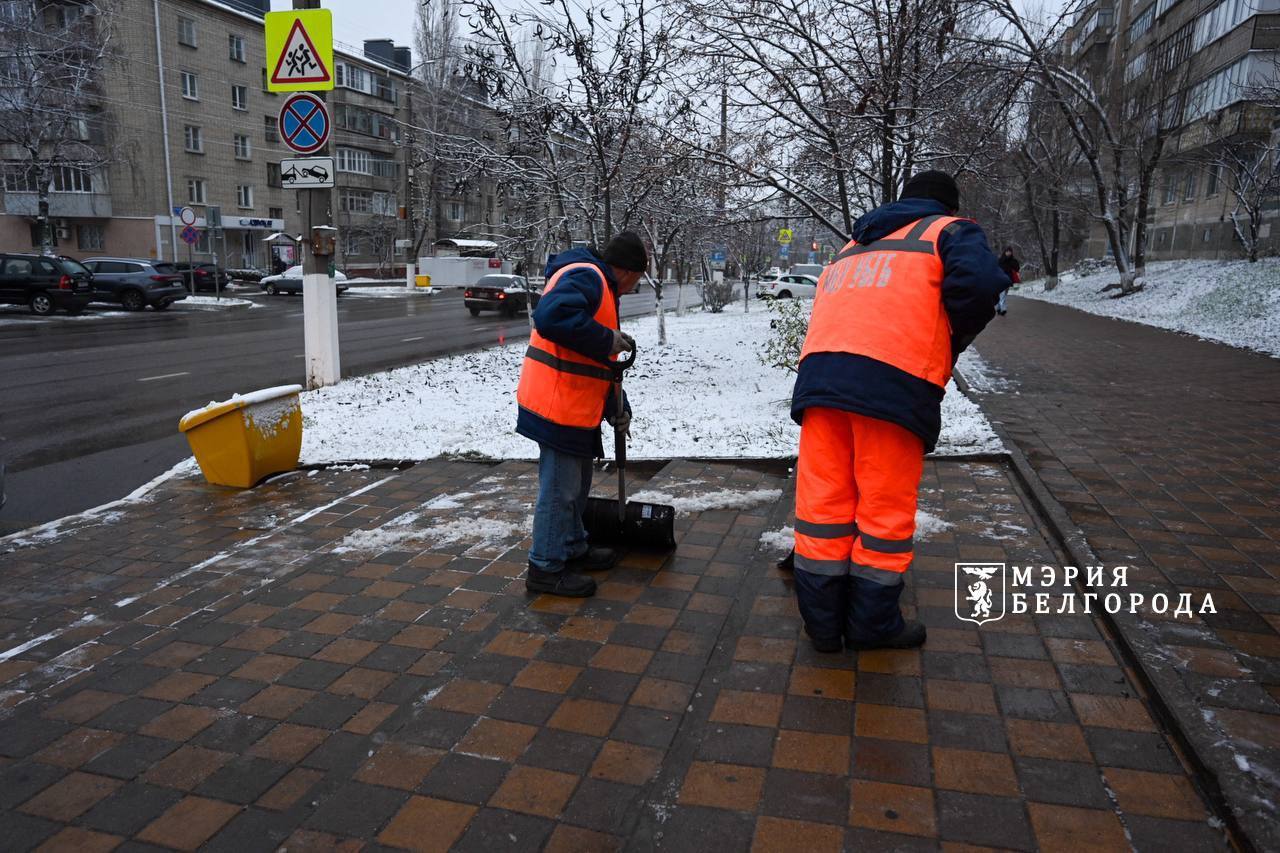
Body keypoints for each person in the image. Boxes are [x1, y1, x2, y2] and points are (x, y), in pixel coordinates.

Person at [788, 170, 1010, 651]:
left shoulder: (856, 243)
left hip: (821, 382)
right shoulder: (949, 231)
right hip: (891, 384)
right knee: (883, 513)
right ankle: (871, 626)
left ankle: (823, 628)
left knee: (822, 508)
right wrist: (947, 340)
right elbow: (978, 287)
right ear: (947, 205)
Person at [516, 232, 647, 598]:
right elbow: (551, 316)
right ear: (627, 271)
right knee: (560, 491)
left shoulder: (600, 285)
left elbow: (593, 360)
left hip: (575, 407)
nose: (632, 289)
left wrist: (617, 406)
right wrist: (607, 340)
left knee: (576, 487)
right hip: (557, 405)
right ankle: (544, 567)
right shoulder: (588, 276)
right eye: (636, 280)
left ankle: (572, 545)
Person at [996, 246, 1020, 315]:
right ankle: (1003, 309)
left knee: (1004, 293)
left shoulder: (1013, 260)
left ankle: (998, 307)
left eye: (1010, 252)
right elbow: (996, 269)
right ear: (1005, 252)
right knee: (1002, 293)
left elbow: (1017, 268)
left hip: (1009, 280)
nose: (1009, 253)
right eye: (1007, 251)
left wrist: (1014, 264)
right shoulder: (1000, 260)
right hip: (1001, 279)